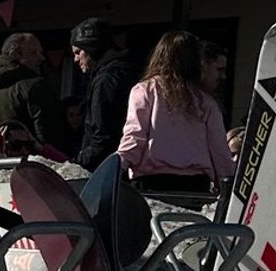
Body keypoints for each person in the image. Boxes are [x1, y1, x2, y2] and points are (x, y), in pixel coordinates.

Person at [117, 29, 233, 190]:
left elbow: (135, 137)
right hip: (195, 184)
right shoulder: (205, 100)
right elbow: (219, 149)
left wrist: (115, 168)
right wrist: (228, 182)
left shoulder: (146, 90)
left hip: (152, 182)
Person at [0, 30, 69, 155]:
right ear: (14, 54)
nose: (42, 58)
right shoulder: (33, 85)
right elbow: (50, 136)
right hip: (30, 165)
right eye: (34, 53)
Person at [70, 19, 134, 169]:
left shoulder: (107, 79)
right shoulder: (122, 71)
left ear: (91, 48)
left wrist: (78, 164)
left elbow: (104, 134)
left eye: (78, 52)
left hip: (107, 168)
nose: (75, 59)